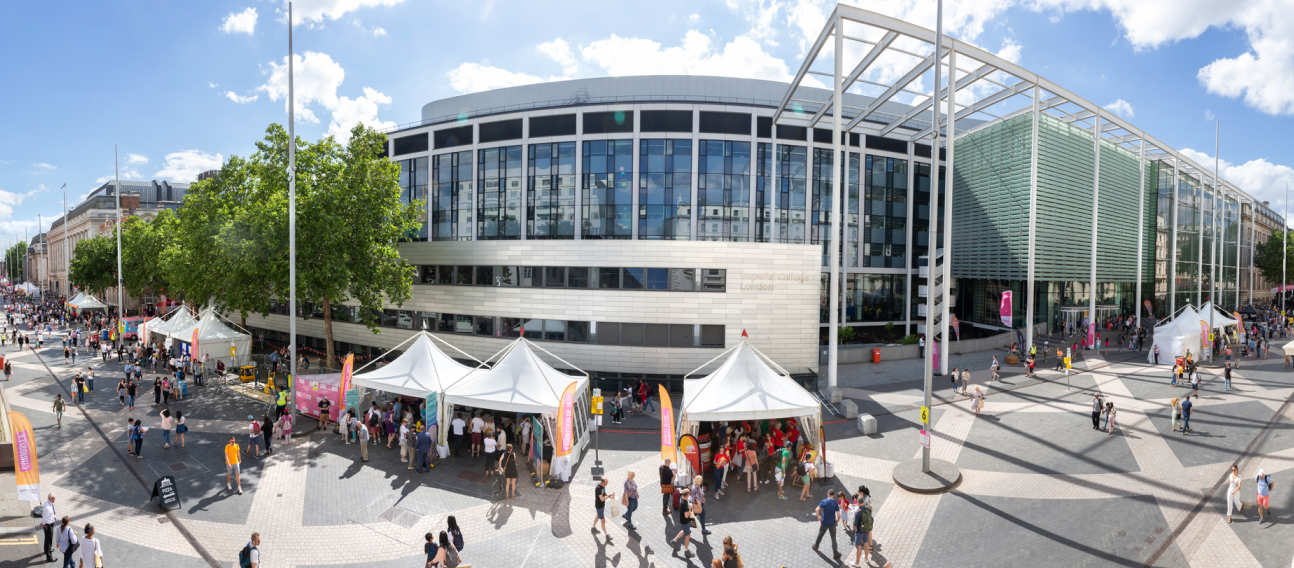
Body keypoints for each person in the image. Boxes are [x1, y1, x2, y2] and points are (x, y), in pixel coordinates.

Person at [813, 489, 842, 560]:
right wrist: (837, 520)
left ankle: (815, 547)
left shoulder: (824, 501)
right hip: (832, 523)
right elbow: (838, 514)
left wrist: (818, 516)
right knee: (833, 538)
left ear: (828, 494)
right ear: (833, 495)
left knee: (820, 535)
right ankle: (835, 554)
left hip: (824, 522)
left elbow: (817, 509)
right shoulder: (835, 503)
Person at [670, 488, 695, 557]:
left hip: (682, 521)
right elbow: (686, 516)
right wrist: (690, 508)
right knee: (688, 535)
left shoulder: (682, 499)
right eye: (689, 494)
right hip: (685, 522)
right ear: (687, 495)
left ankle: (674, 541)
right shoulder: (685, 504)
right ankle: (686, 551)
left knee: (684, 530)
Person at [41, 494, 57, 563]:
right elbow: (44, 516)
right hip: (48, 525)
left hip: (49, 524)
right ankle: (49, 557)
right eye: (54, 498)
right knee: (49, 541)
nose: (55, 500)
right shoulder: (47, 507)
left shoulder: (49, 503)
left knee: (47, 539)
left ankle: (46, 550)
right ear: (51, 498)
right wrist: (44, 524)